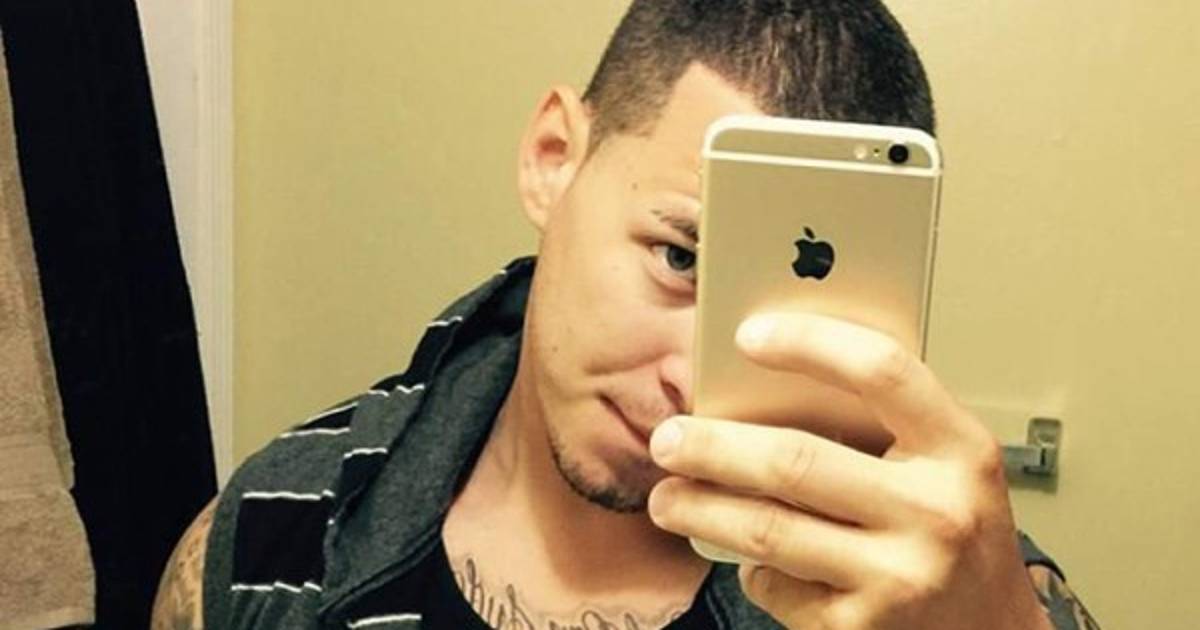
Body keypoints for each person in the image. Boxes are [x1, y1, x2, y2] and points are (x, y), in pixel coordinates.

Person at [153, 1, 1101, 628]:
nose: (690, 382)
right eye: (679, 258)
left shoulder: (929, 594)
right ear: (554, 157)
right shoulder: (276, 530)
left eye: (772, 320)